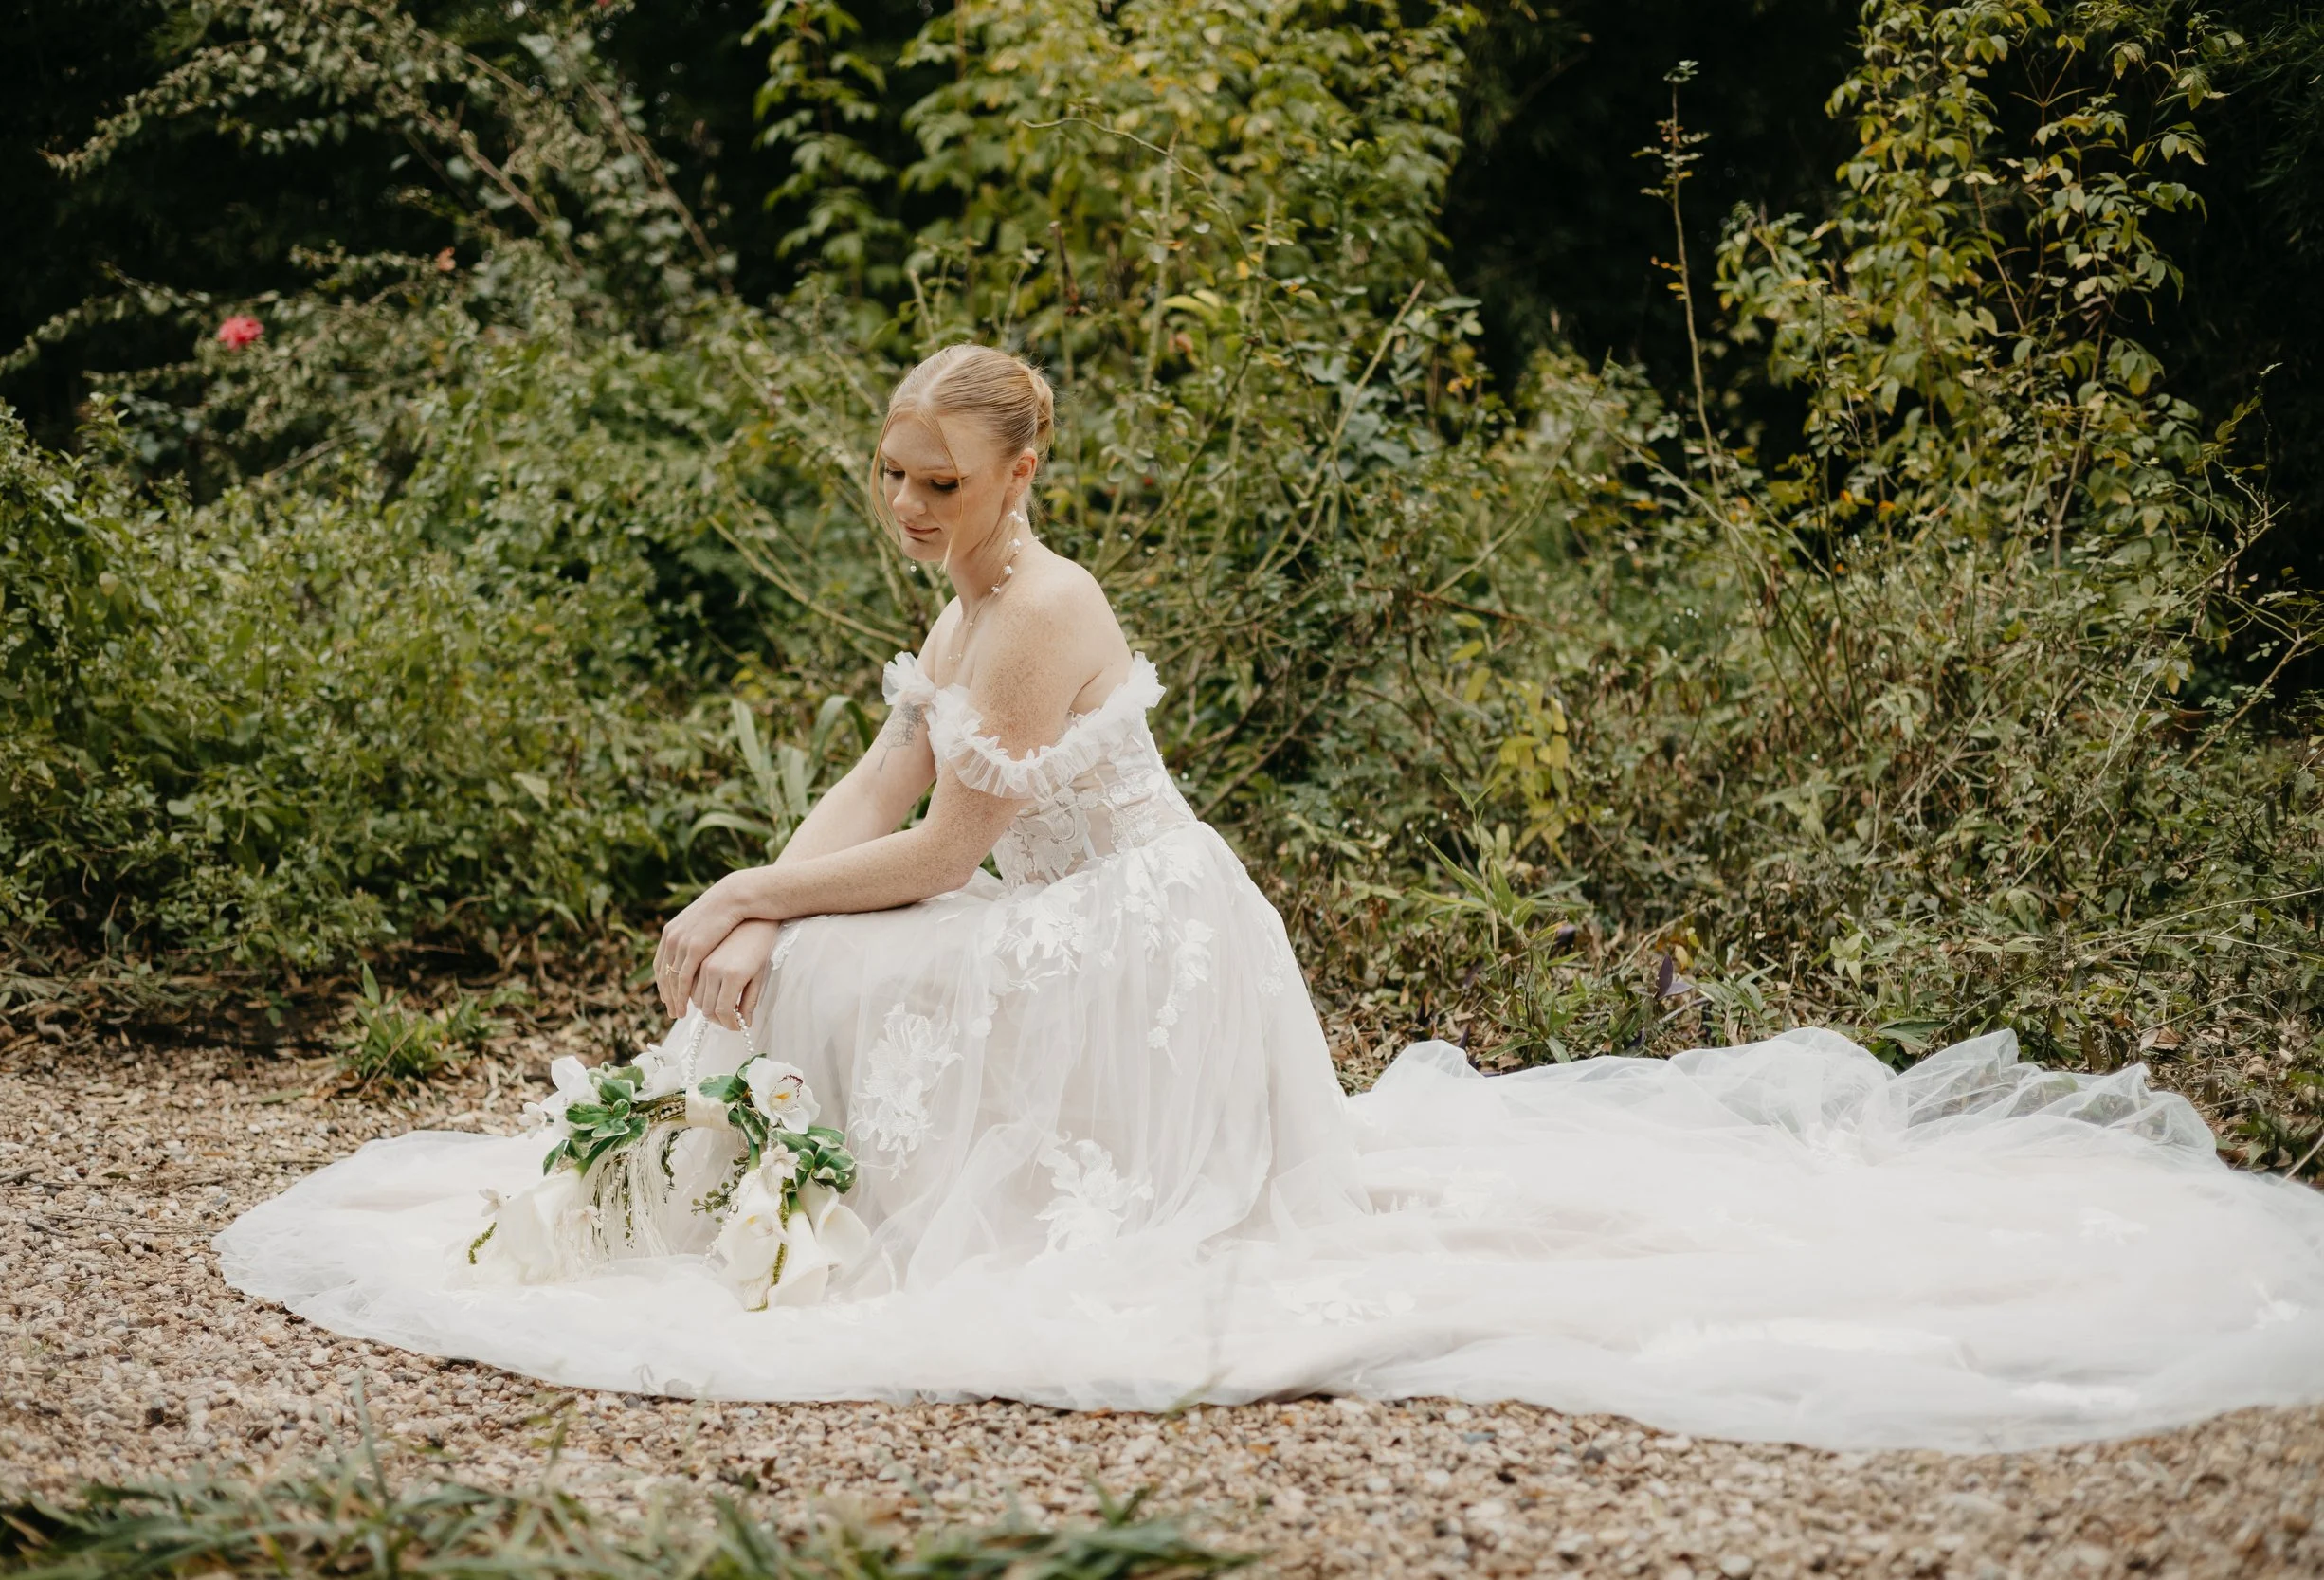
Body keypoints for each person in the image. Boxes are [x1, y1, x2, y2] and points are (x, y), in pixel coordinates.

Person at [219, 344, 2324, 1452]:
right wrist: (752, 888)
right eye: (886, 472)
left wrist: (771, 897)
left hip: (1120, 933)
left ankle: (838, 1217)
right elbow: (884, 767)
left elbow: (953, 852)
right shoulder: (953, 599)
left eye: (937, 481)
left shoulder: (1046, 602)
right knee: (793, 970)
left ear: (1022, 471)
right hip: (1011, 890)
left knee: (853, 986)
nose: (905, 507)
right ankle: (762, 1188)